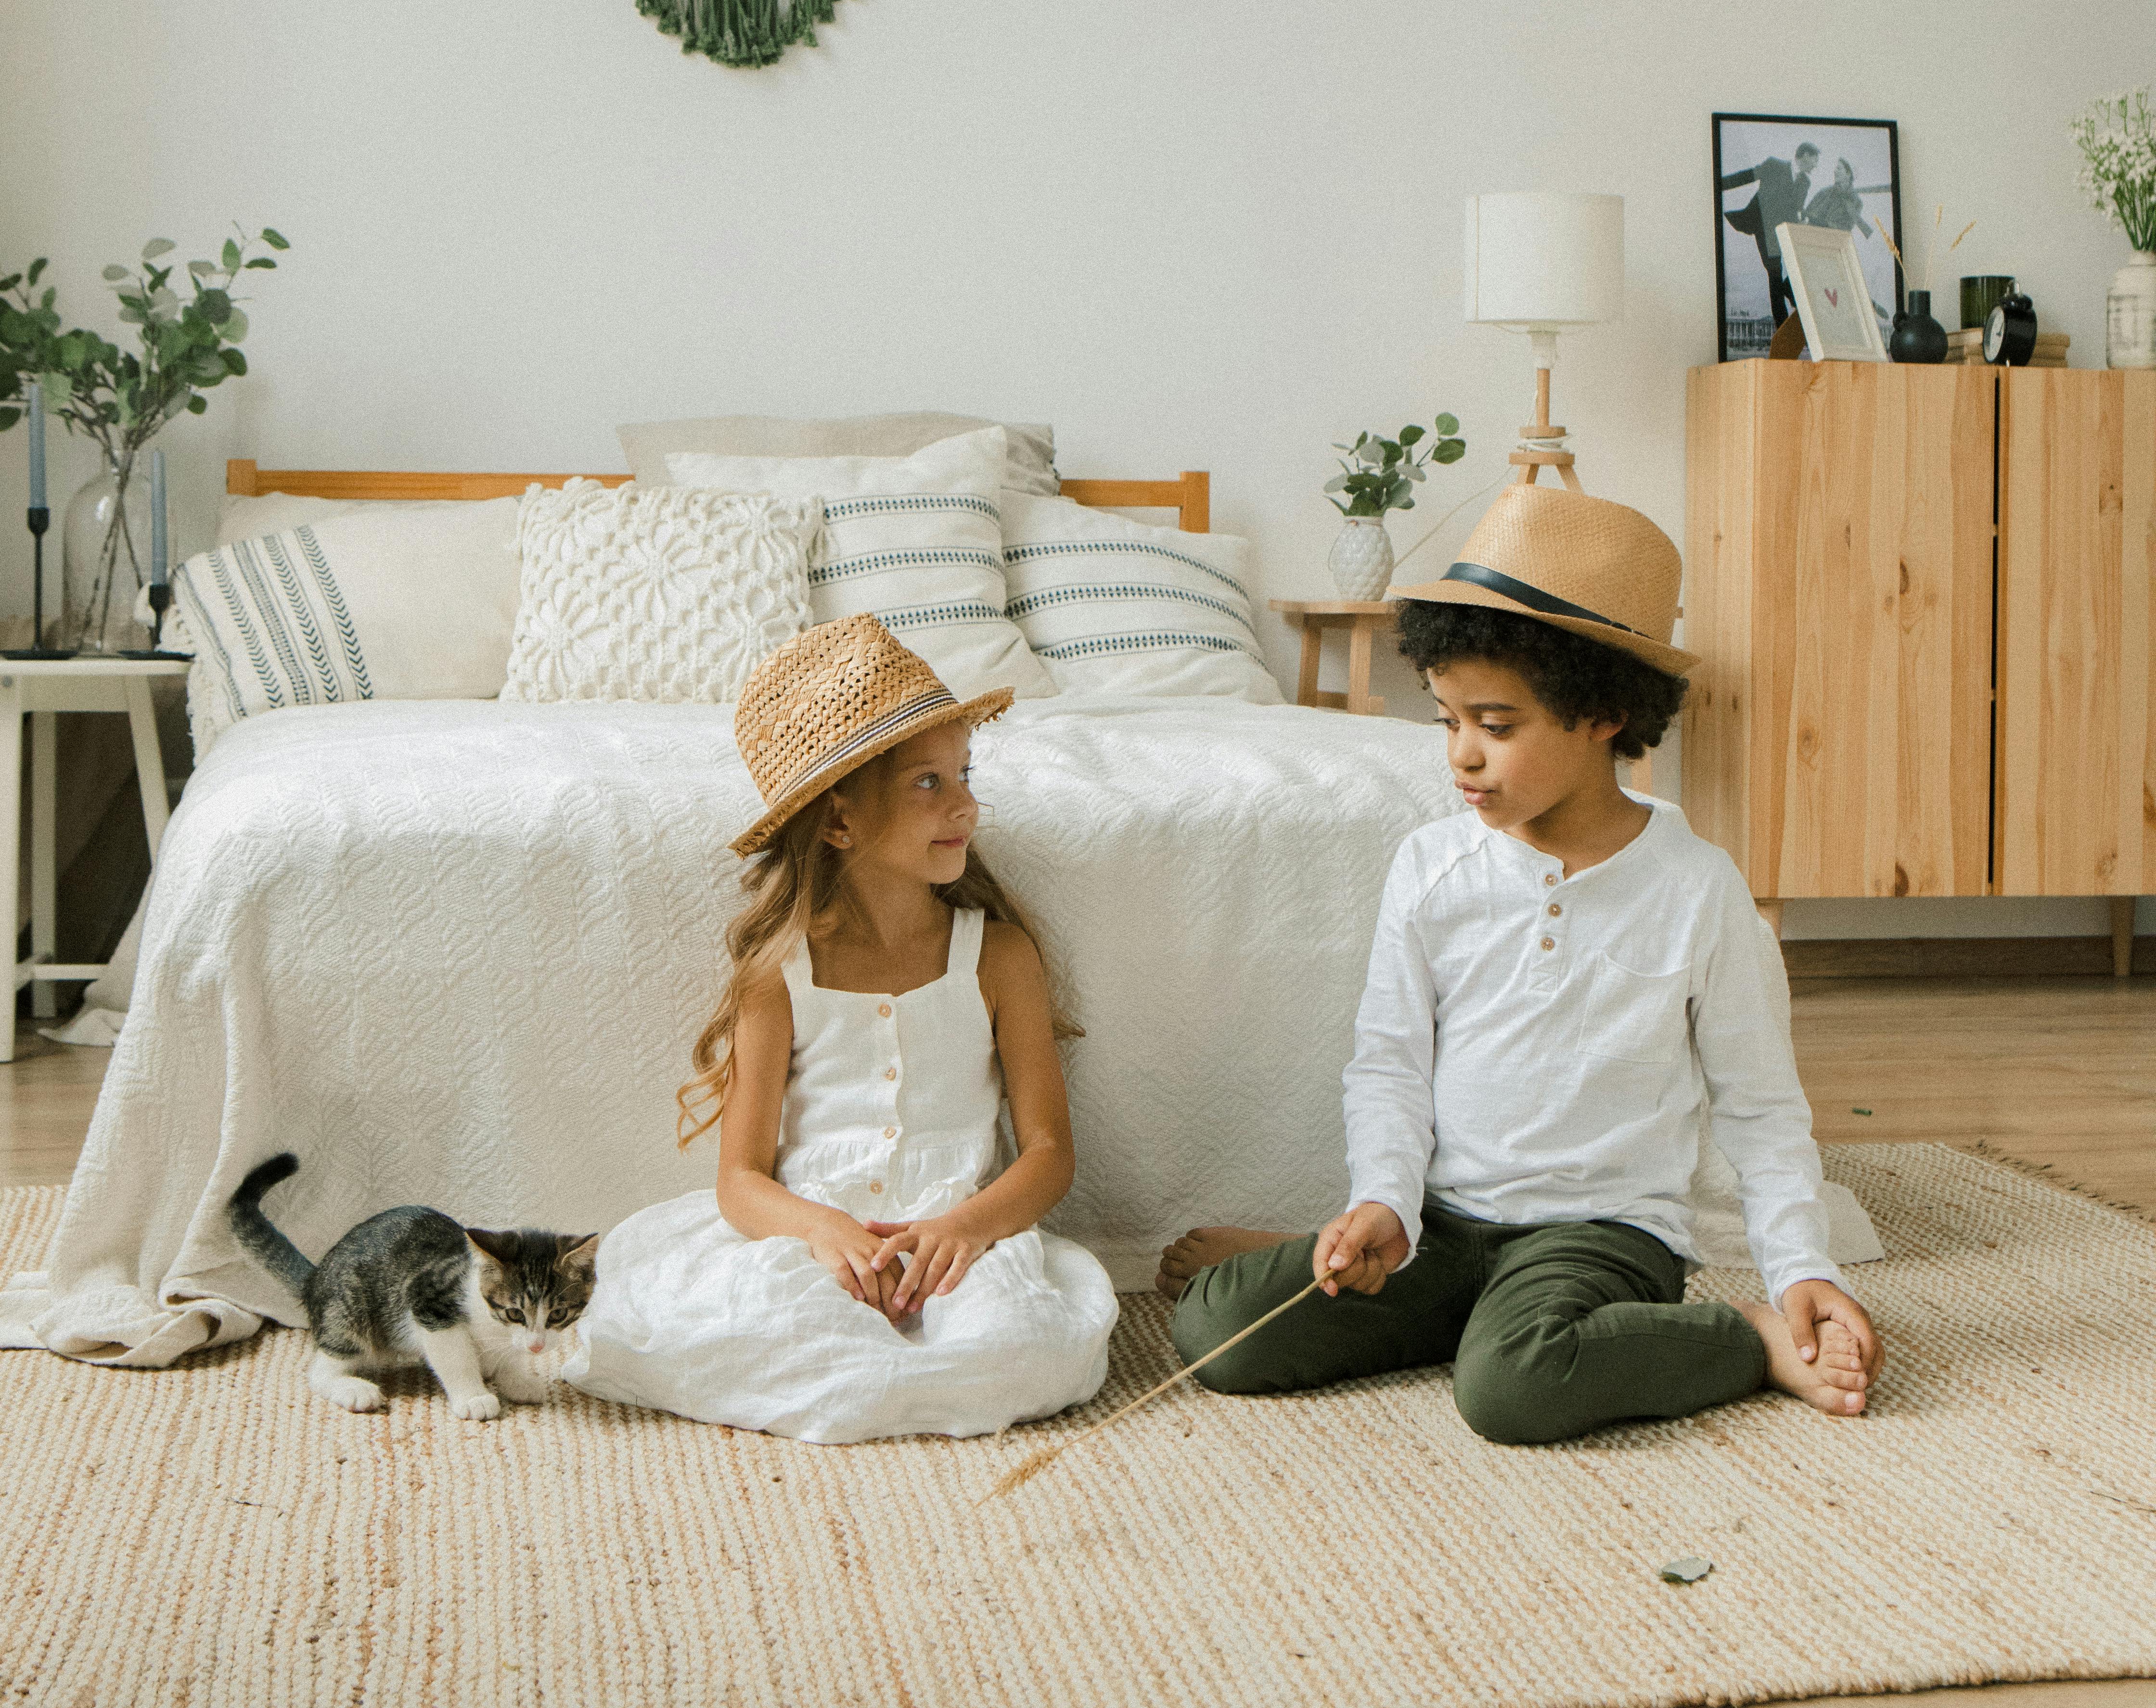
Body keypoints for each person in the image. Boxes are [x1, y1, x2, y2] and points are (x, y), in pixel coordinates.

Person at [1160, 488, 1881, 1445]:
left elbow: (1758, 1106)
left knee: (1513, 1392)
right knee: (1218, 1329)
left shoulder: (1696, 890)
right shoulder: (1430, 868)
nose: (1460, 756)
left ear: (1600, 712)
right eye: (1447, 720)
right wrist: (1380, 1199)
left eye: (1494, 726)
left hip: (1600, 1237)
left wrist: (1795, 1275)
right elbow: (1388, 1063)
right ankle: (1468, 1311)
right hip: (1443, 1223)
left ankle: (1736, 1340)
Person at [568, 616, 1117, 1442]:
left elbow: (1047, 1152)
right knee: (765, 1326)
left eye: (963, 773)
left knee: (1028, 1345)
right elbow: (742, 1180)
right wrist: (823, 1232)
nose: (966, 803)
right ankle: (870, 1373)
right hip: (816, 1240)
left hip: (958, 1243)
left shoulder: (998, 958)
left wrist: (963, 1228)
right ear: (837, 822)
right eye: (927, 783)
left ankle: (908, 1370)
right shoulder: (779, 977)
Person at [1721, 139, 1819, 329]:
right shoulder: (1774, 165)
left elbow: (1795, 208)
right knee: (1774, 273)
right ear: (1805, 156)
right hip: (1762, 225)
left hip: (1782, 232)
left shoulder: (1805, 182)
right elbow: (1747, 176)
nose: (1817, 165)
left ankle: (1788, 296)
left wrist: (1803, 220)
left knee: (1784, 273)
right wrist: (1718, 184)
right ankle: (1782, 325)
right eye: (1815, 160)